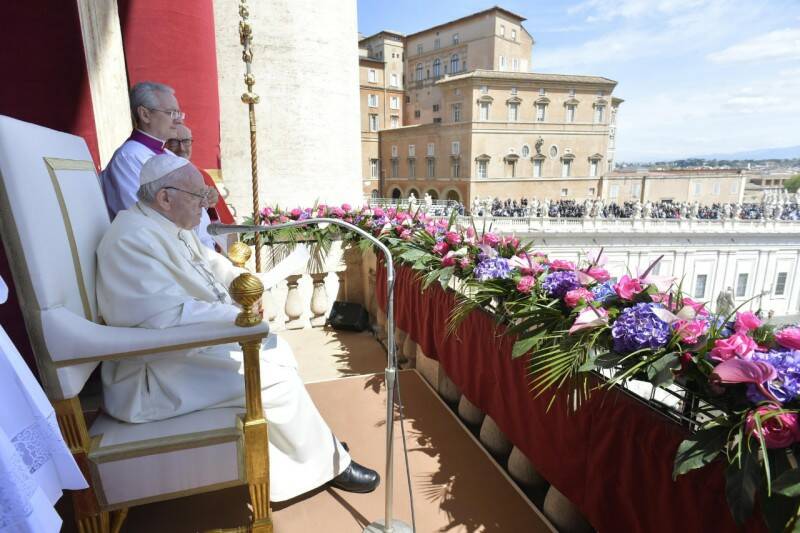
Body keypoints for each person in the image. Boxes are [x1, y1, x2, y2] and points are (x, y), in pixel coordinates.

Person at [95, 154, 380, 501]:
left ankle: (312, 450)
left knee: (278, 354)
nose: (205, 204)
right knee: (271, 376)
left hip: (185, 349)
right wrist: (238, 314)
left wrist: (247, 288)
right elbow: (166, 317)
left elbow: (217, 267)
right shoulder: (131, 238)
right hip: (153, 372)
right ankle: (326, 462)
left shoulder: (167, 226)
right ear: (165, 197)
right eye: (198, 196)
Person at [100, 81, 216, 250]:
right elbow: (144, 218)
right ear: (145, 114)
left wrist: (202, 197)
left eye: (179, 113)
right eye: (171, 113)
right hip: (164, 253)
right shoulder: (128, 158)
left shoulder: (169, 155)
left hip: (195, 250)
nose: (178, 120)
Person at [165, 124, 235, 225]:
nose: (182, 148)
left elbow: (227, 225)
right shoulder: (158, 176)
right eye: (173, 143)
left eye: (186, 142)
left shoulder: (202, 175)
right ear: (164, 145)